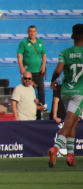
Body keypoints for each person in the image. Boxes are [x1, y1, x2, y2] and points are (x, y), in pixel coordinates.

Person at [48, 24, 83, 168]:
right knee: (69, 124)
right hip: (79, 93)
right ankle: (55, 148)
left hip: (65, 92)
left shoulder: (65, 52)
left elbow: (58, 69)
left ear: (72, 36)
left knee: (73, 123)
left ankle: (70, 155)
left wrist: (52, 80)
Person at [17, 25, 47, 120]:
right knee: (30, 91)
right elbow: (19, 54)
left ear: (36, 32)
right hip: (28, 73)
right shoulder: (24, 43)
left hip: (38, 71)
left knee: (41, 89)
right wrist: (21, 66)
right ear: (27, 32)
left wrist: (43, 65)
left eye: (34, 31)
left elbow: (44, 54)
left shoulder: (40, 42)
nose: (32, 33)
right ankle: (30, 109)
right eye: (30, 31)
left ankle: (41, 107)